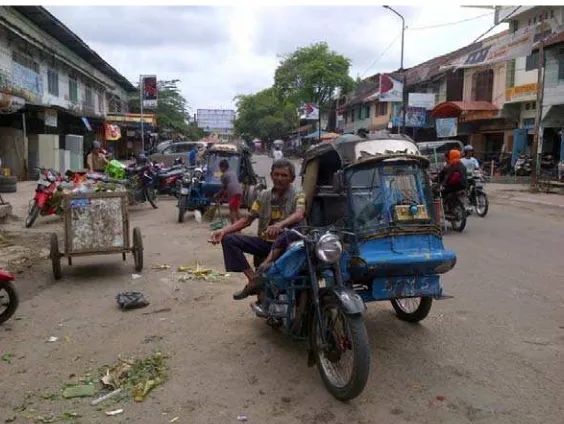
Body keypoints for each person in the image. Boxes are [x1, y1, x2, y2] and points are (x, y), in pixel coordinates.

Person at [209, 159, 305, 302]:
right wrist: (224, 230)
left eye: (284, 175)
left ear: (291, 178)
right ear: (271, 175)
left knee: (292, 231)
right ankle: (254, 279)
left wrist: (280, 225)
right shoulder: (263, 195)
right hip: (265, 243)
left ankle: (266, 274)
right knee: (229, 239)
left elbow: (299, 214)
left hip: (287, 246)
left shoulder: (299, 194)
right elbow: (247, 220)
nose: (279, 178)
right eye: (276, 174)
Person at [215, 159, 243, 224]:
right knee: (236, 210)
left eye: (220, 168)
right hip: (239, 192)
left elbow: (224, 188)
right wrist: (221, 195)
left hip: (233, 193)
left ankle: (233, 227)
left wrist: (217, 194)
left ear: (223, 167)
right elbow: (228, 186)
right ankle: (239, 227)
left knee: (232, 210)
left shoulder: (224, 175)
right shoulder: (233, 173)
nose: (220, 169)